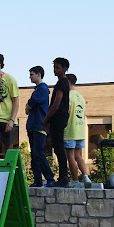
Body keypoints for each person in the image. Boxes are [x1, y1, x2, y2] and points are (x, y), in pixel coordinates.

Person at [42, 57, 71, 188]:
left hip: (58, 118)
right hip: (59, 118)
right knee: (58, 147)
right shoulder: (63, 83)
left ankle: (63, 177)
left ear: (64, 68)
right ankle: (63, 176)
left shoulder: (62, 83)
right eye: (54, 67)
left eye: (58, 67)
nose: (55, 70)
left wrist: (45, 119)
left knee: (59, 148)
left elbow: (56, 104)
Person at [25, 66, 55, 187]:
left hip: (39, 125)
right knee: (34, 154)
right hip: (32, 125)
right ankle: (37, 180)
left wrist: (28, 106)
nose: (30, 77)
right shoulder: (36, 90)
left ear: (38, 74)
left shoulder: (42, 89)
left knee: (38, 153)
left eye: (32, 74)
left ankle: (49, 178)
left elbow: (29, 106)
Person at [64, 74, 92, 188]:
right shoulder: (80, 97)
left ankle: (75, 180)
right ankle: (85, 176)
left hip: (70, 130)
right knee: (78, 155)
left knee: (70, 155)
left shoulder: (67, 96)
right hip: (80, 130)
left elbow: (66, 113)